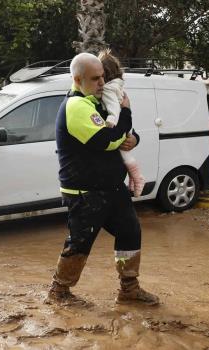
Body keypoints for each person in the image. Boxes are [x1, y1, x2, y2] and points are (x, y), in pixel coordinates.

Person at [46, 52, 159, 306]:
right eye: (96, 79)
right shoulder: (77, 106)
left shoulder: (97, 101)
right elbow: (106, 140)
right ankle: (59, 291)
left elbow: (120, 129)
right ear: (77, 79)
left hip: (111, 188)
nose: (101, 83)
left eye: (103, 78)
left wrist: (134, 138)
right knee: (81, 241)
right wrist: (127, 114)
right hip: (84, 191)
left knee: (130, 232)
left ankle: (129, 289)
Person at [98, 49, 145, 197]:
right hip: (106, 180)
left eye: (100, 76)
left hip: (113, 182)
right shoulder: (117, 86)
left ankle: (136, 178)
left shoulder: (107, 90)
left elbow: (125, 120)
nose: (99, 82)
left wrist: (135, 138)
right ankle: (135, 179)